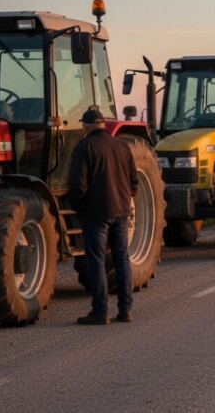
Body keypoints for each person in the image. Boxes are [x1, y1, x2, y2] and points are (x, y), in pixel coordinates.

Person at [68, 109, 138, 325]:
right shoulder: (122, 146)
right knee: (121, 258)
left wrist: (78, 207)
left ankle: (100, 311)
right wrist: (124, 199)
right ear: (103, 125)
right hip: (121, 212)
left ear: (86, 126)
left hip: (96, 214)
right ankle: (125, 310)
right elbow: (133, 182)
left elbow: (77, 185)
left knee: (96, 261)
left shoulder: (84, 147)